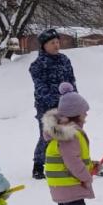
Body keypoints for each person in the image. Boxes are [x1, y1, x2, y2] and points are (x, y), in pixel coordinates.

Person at [41, 83, 101, 205]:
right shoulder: (71, 135)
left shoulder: (62, 133)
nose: (86, 114)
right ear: (76, 115)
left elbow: (75, 159)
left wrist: (92, 165)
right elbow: (72, 161)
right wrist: (86, 176)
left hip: (60, 181)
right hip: (69, 180)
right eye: (84, 111)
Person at [29, 28, 76, 180]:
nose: (56, 45)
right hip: (46, 107)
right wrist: (54, 103)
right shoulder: (38, 64)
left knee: (68, 133)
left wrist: (73, 99)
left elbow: (71, 81)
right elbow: (40, 86)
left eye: (57, 42)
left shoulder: (65, 60)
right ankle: (38, 165)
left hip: (66, 104)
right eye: (52, 43)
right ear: (44, 45)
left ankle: (67, 161)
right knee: (47, 135)